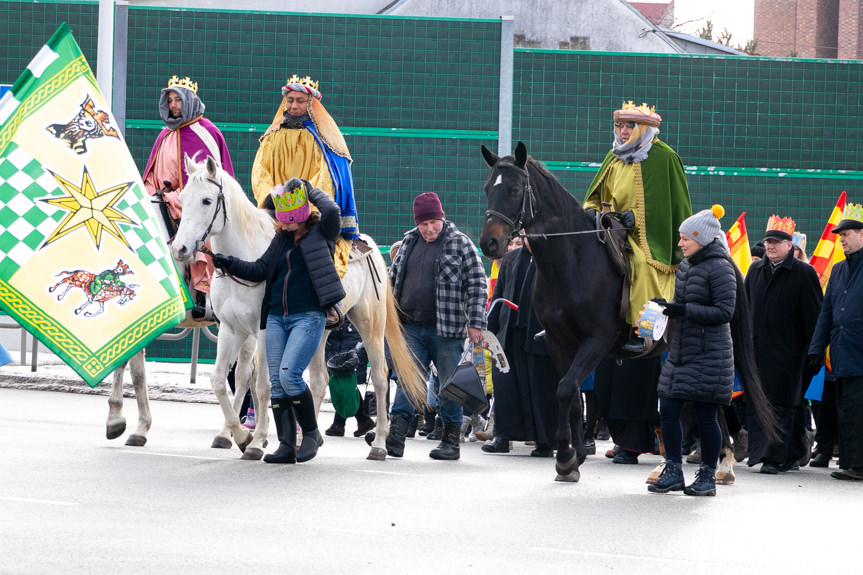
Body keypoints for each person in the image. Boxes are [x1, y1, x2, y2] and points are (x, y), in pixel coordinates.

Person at [210, 178, 345, 464]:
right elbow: (259, 269)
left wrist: (308, 189)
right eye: (282, 223)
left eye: (289, 222)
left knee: (289, 375)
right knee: (278, 384)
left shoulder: (323, 232)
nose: (284, 227)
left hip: (307, 316)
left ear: (302, 217)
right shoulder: (281, 238)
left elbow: (332, 211)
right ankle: (285, 444)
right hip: (274, 318)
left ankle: (311, 433)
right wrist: (228, 262)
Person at [384, 192, 487, 460]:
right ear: (417, 223)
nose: (429, 229)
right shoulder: (408, 242)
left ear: (442, 217)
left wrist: (476, 323)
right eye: (424, 224)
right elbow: (392, 281)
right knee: (408, 381)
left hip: (447, 330)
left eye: (434, 222)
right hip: (410, 327)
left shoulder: (461, 244)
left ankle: (450, 442)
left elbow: (478, 285)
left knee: (449, 387)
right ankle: (395, 437)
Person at [584, 101, 693, 353]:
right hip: (607, 228)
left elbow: (673, 206)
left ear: (644, 128)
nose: (623, 131)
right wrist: (591, 211)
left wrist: (636, 217)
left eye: (630, 126)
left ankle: (641, 332)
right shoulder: (613, 157)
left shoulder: (664, 157)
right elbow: (593, 195)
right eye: (620, 125)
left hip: (644, 236)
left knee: (642, 264)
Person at [648, 206, 736, 497]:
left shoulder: (721, 266)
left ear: (702, 238)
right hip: (682, 350)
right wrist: (665, 308)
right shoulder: (687, 266)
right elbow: (682, 304)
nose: (680, 243)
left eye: (685, 238)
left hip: (710, 354)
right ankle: (672, 470)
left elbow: (725, 311)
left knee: (706, 415)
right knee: (668, 409)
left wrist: (683, 310)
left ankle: (707, 475)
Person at [142, 75, 235, 321]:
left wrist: (175, 196)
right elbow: (151, 174)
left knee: (193, 224)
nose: (173, 106)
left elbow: (210, 185)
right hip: (161, 197)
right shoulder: (164, 134)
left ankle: (202, 293)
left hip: (192, 203)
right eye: (170, 101)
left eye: (178, 100)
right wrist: (151, 192)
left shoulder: (206, 132)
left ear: (190, 101)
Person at [251, 74, 359, 278]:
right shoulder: (272, 136)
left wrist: (301, 206)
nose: (293, 105)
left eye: (300, 101)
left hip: (309, 215)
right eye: (290, 100)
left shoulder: (324, 139)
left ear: (311, 104)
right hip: (275, 210)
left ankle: (328, 305)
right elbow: (260, 172)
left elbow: (326, 177)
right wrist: (269, 198)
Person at [744, 215, 822, 474]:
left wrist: (813, 353)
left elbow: (814, 316)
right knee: (759, 404)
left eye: (777, 242)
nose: (770, 246)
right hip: (757, 352)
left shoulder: (804, 273)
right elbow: (744, 309)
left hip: (790, 354)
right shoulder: (755, 271)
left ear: (790, 245)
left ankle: (775, 458)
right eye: (768, 241)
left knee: (784, 405)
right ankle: (779, 454)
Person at [482, 238, 559, 457]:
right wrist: (490, 331)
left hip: (539, 336)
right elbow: (498, 297)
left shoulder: (553, 257)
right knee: (505, 387)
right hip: (509, 335)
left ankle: (545, 441)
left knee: (540, 390)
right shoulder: (510, 259)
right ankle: (502, 437)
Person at [807, 203, 863, 481]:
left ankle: (858, 465)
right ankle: (851, 462)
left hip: (859, 351)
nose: (841, 238)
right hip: (841, 352)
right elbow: (827, 311)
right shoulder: (839, 269)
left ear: (862, 235)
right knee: (846, 409)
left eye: (847, 234)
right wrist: (818, 348)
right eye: (840, 235)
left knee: (858, 409)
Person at [323, 318, 376, 438]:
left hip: (350, 336)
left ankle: (340, 424)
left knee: (345, 383)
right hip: (341, 336)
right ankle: (362, 421)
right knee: (343, 383)